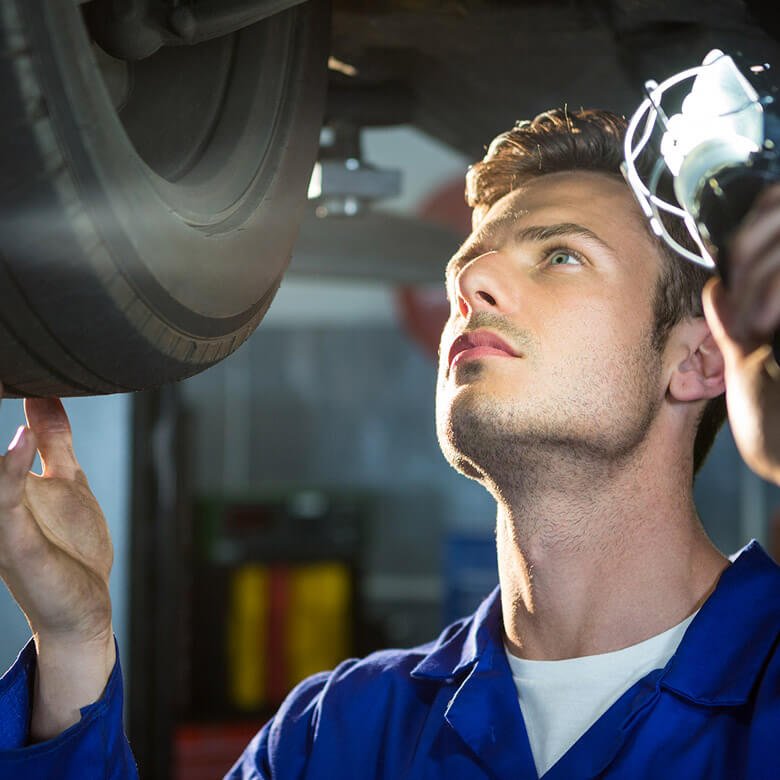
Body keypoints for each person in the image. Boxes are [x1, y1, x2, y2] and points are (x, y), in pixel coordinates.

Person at [0, 108, 779, 779]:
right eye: (466, 268)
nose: (470, 284)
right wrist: (73, 648)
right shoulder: (337, 732)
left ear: (700, 359)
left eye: (560, 256)